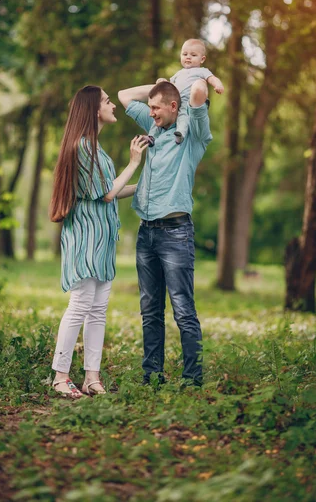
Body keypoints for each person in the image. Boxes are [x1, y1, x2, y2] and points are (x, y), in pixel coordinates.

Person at [49, 85, 148, 399]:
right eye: (108, 101)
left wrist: (146, 182)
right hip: (85, 239)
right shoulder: (82, 148)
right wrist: (134, 163)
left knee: (98, 310)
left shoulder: (95, 149)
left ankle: (92, 377)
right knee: (79, 306)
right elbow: (106, 193)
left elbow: (112, 191)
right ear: (94, 109)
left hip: (102, 241)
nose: (113, 106)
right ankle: (60, 377)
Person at [118, 79, 212, 386]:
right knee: (150, 311)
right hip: (146, 234)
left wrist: (185, 85)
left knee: (183, 310)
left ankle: (192, 379)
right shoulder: (154, 125)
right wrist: (159, 84)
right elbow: (123, 95)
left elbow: (198, 92)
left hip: (175, 233)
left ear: (173, 107)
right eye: (150, 108)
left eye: (156, 108)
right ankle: (152, 376)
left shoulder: (191, 136)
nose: (151, 113)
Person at [150, 38, 224, 144]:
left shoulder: (202, 71)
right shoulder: (179, 73)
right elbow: (170, 86)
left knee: (183, 115)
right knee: (159, 112)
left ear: (202, 59)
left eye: (193, 55)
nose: (188, 57)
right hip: (174, 100)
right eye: (185, 54)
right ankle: (151, 136)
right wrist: (163, 82)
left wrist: (218, 85)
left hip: (187, 100)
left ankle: (180, 133)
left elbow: (212, 78)